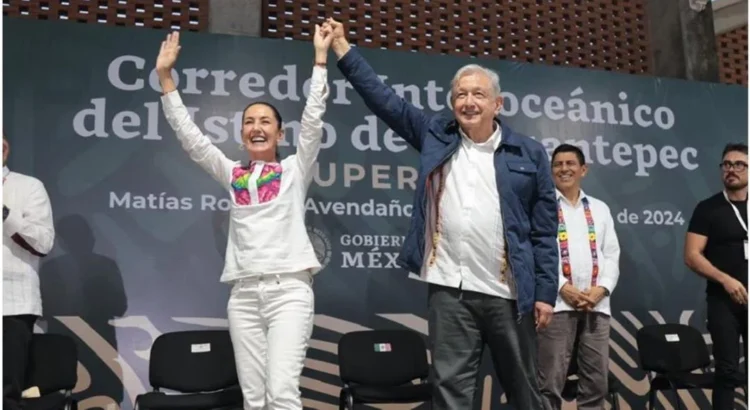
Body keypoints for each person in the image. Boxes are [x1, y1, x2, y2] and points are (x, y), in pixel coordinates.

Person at [324, 18, 558, 409]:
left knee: (525, 392)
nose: (468, 102)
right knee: (450, 393)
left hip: (509, 294)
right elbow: (384, 101)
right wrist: (345, 50)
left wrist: (546, 293)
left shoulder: (529, 153)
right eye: (461, 95)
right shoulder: (436, 134)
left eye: (478, 94)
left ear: (496, 104)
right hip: (450, 292)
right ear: (453, 103)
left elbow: (544, 231)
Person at [156, 26, 333, 410]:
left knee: (282, 394)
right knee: (253, 399)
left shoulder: (293, 170)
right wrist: (166, 79)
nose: (257, 127)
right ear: (241, 136)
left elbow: (314, 119)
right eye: (249, 122)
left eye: (265, 121)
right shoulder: (232, 173)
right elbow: (191, 138)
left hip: (289, 291)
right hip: (244, 296)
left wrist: (320, 60)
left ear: (280, 133)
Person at [536, 144, 620, 410]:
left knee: (596, 383)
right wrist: (562, 287)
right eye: (558, 164)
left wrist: (602, 289)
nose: (564, 169)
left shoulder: (600, 208)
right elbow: (535, 251)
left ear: (583, 170)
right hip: (557, 304)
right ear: (551, 171)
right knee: (549, 382)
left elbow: (611, 254)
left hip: (596, 306)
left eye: (570, 163)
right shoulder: (541, 206)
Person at [685, 143, 748, 410]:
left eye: (739, 164)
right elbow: (692, 255)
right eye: (727, 164)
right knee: (726, 371)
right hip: (724, 301)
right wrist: (725, 280)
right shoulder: (708, 208)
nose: (731, 169)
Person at [2, 136, 56, 405]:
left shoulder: (28, 187)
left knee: (5, 392)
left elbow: (43, 243)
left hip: (10, 304)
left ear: (3, 149)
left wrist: (5, 214)